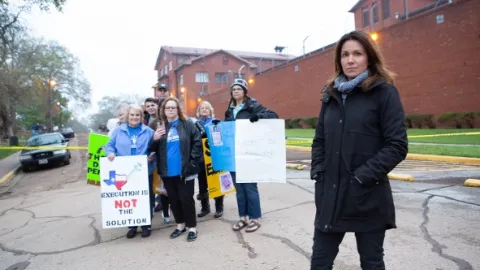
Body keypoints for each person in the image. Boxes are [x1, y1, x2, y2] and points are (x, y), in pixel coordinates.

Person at [309, 30, 408, 269]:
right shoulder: (330, 95)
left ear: (369, 58)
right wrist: (319, 172)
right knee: (320, 261)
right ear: (338, 60)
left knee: (372, 262)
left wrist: (362, 177)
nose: (350, 60)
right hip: (330, 195)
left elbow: (397, 145)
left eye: (357, 53)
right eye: (345, 54)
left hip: (367, 196)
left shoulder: (384, 92)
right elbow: (319, 140)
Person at [223, 78, 278, 233]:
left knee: (250, 187)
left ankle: (256, 218)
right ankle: (243, 217)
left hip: (248, 153)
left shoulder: (252, 105)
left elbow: (273, 115)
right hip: (234, 154)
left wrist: (258, 117)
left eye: (239, 89)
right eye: (234, 89)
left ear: (245, 91)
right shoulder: (229, 110)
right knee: (239, 188)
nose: (236, 92)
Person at [149, 97, 202, 242]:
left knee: (186, 199)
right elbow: (151, 149)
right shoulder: (159, 127)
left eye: (173, 107)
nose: (171, 110)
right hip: (167, 172)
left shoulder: (187, 124)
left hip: (185, 170)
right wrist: (155, 138)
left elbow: (197, 142)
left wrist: (192, 163)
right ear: (163, 111)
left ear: (177, 109)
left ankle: (192, 227)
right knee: (174, 200)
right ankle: (180, 225)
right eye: (168, 108)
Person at [105, 104, 155, 239]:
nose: (134, 117)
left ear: (141, 117)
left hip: (144, 171)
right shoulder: (118, 131)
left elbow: (154, 148)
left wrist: (152, 156)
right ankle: (132, 225)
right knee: (129, 197)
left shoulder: (148, 131)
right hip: (124, 171)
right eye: (132, 115)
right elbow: (109, 145)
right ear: (128, 116)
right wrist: (110, 153)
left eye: (137, 115)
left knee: (145, 198)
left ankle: (146, 225)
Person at [194, 101, 224, 218]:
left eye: (207, 108)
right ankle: (205, 207)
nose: (204, 109)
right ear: (199, 111)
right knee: (202, 184)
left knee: (216, 182)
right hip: (201, 159)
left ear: (211, 110)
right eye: (202, 108)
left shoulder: (216, 122)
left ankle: (219, 207)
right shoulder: (195, 124)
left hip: (214, 157)